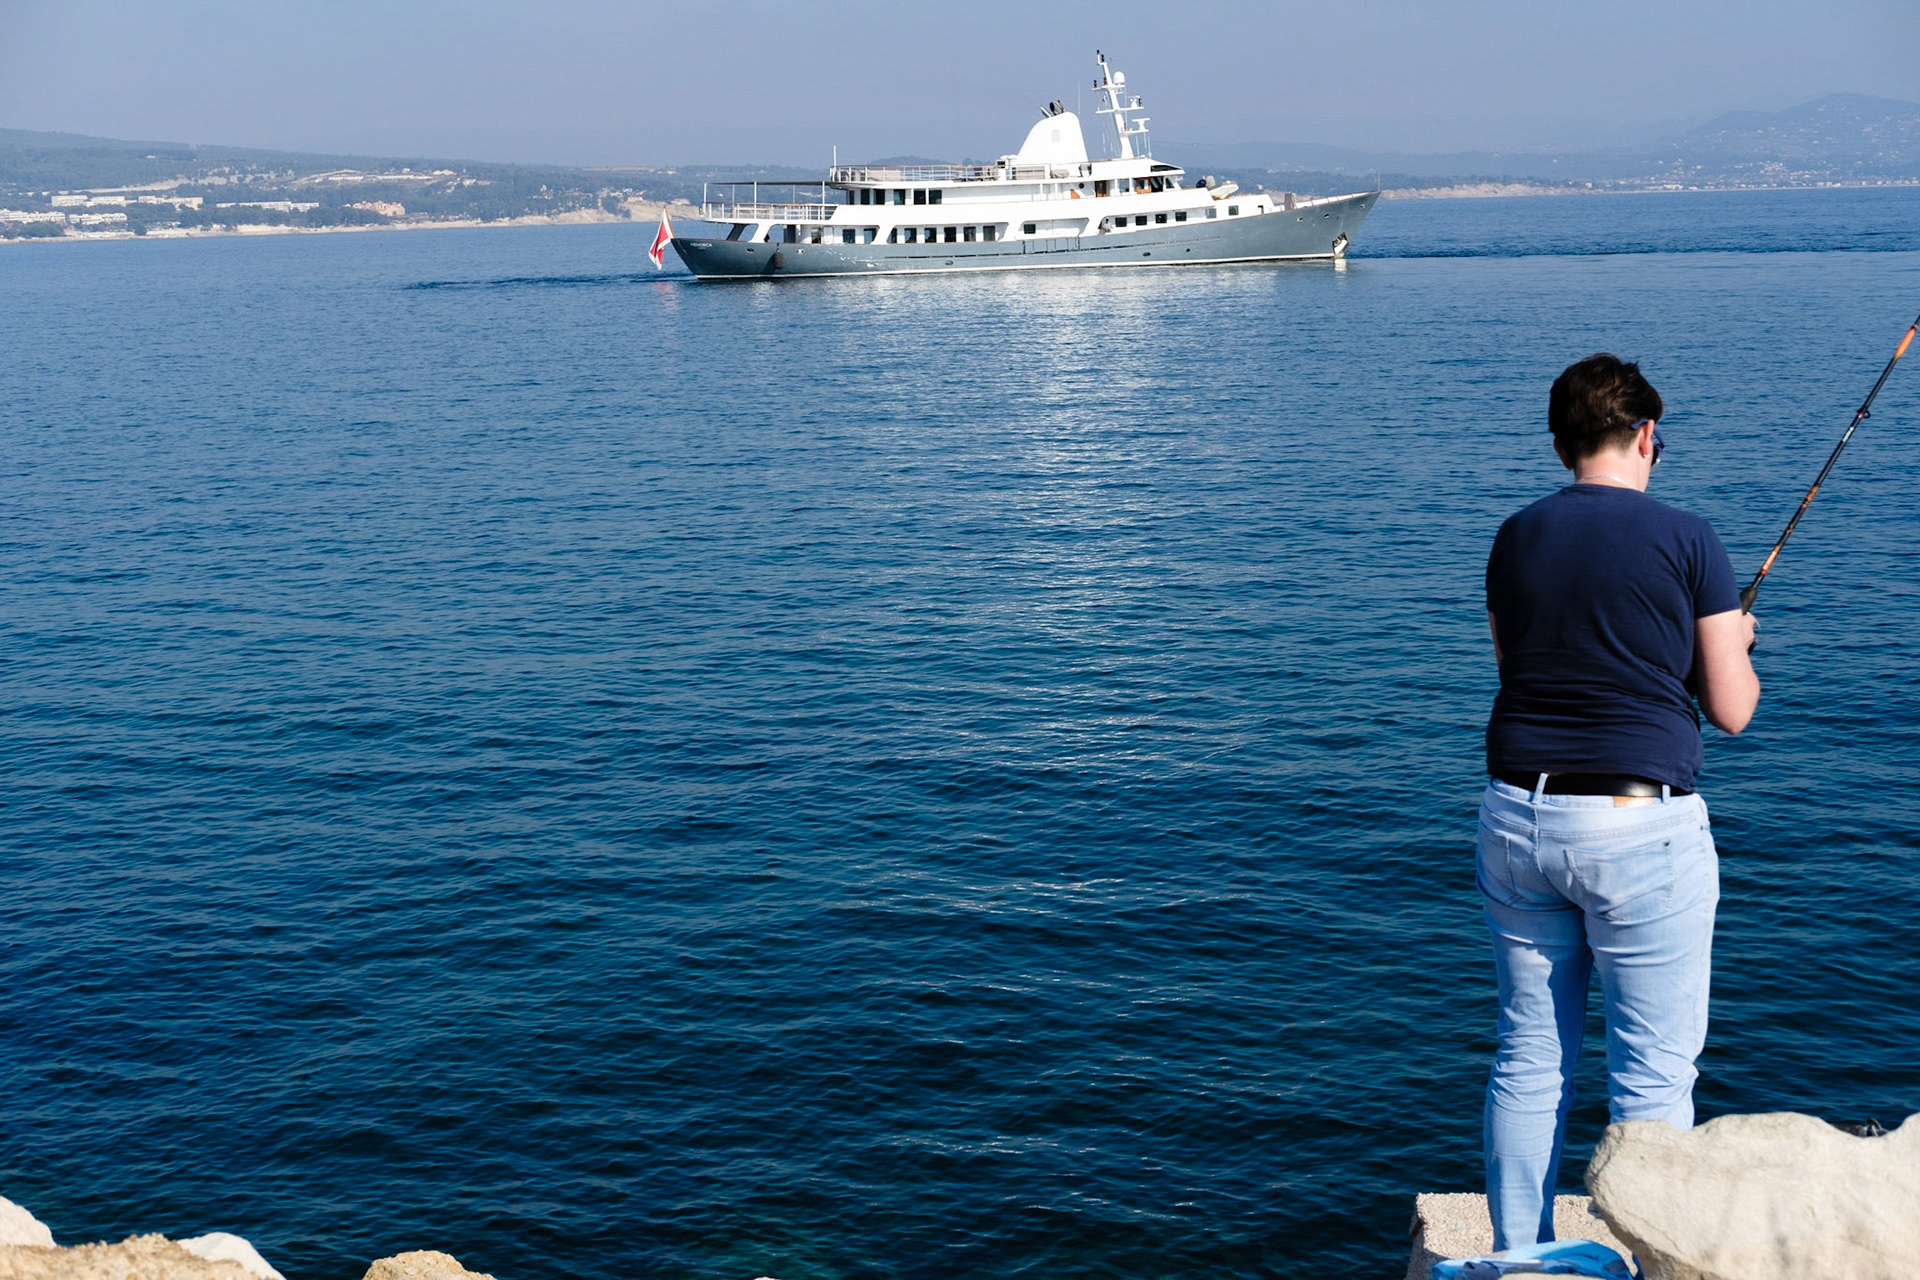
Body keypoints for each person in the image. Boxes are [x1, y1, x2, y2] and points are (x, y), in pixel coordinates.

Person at [1478, 353, 1760, 1248]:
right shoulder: (1689, 539)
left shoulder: (1514, 537)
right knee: (1652, 1077)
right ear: (1645, 437)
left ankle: (1520, 1260)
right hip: (1643, 827)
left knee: (1529, 1060)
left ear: (1563, 444)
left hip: (1519, 814)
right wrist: (1736, 639)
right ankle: (1651, 1258)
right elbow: (1732, 710)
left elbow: (1520, 671)